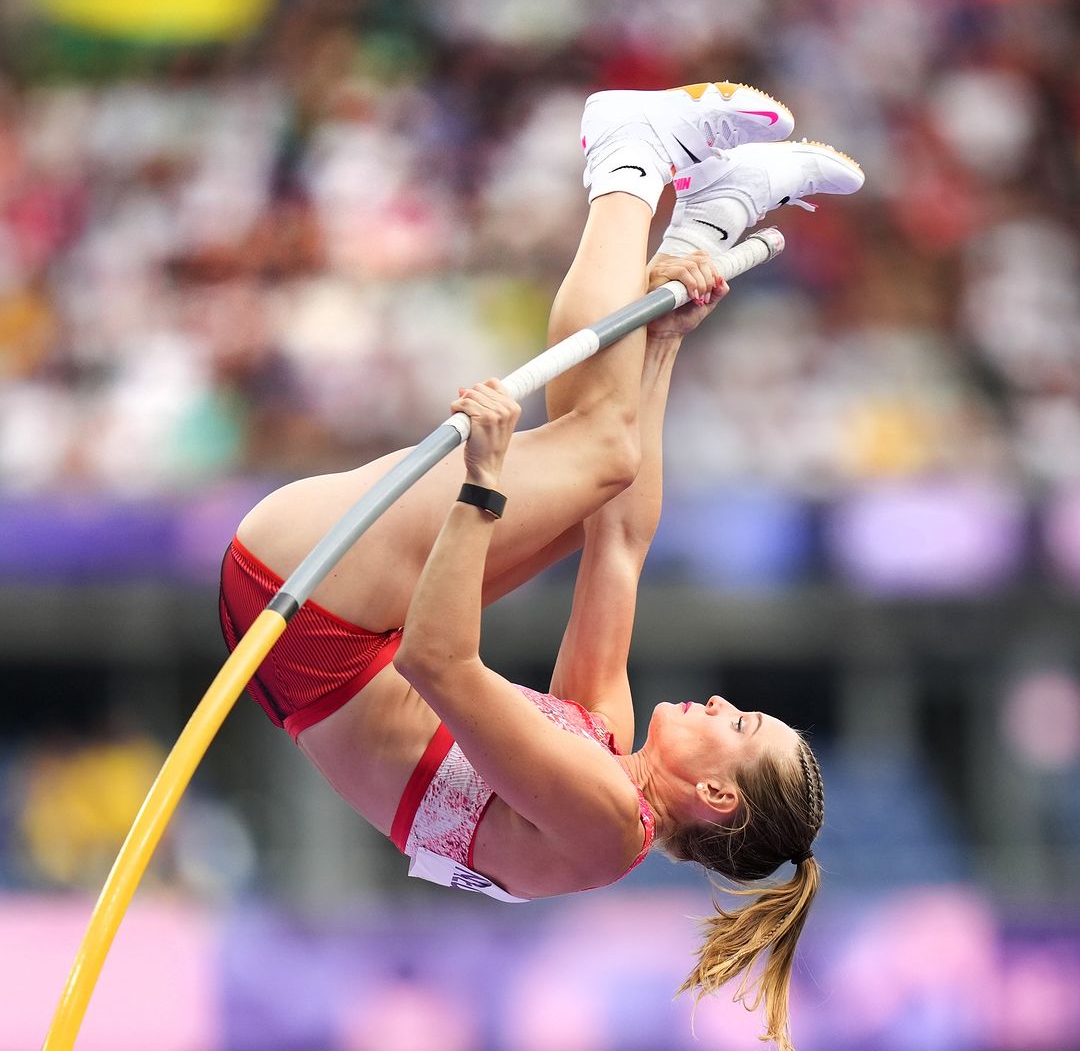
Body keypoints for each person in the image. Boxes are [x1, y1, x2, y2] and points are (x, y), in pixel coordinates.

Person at [220, 82, 863, 1050]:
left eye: (739, 727)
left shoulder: (605, 825)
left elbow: (440, 665)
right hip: (340, 621)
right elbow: (621, 543)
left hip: (311, 611)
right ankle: (710, 210)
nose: (720, 706)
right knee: (605, 472)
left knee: (596, 451)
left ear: (719, 797)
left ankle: (628, 157)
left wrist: (482, 482)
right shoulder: (604, 752)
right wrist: (660, 343)